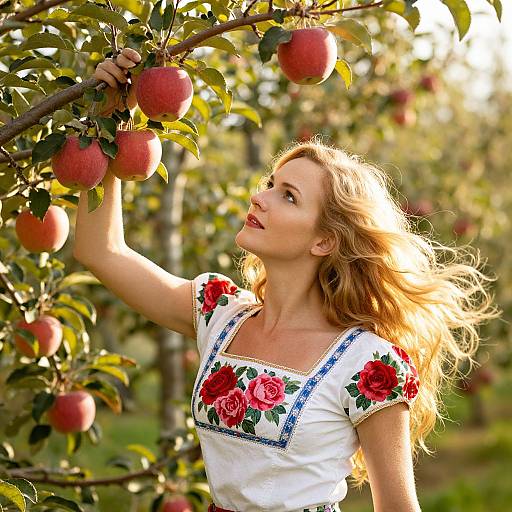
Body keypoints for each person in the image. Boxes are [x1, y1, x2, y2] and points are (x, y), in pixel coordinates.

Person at [75, 49, 500, 512]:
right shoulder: (221, 314)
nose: (260, 197)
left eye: (288, 196)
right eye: (270, 183)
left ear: (323, 242)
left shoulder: (368, 365)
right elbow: (101, 251)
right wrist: (110, 123)